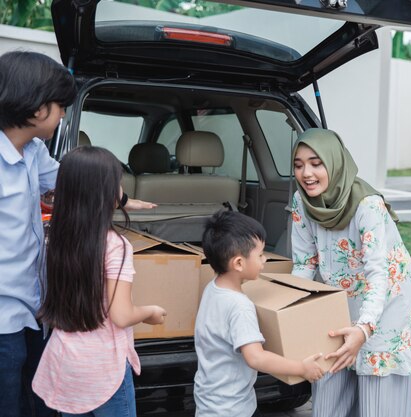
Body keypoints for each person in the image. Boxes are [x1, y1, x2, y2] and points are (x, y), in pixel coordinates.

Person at [0, 50, 154, 417]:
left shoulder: (34, 151)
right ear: (38, 110)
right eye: (60, 106)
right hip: (3, 315)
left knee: (38, 402)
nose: (64, 115)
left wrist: (121, 198)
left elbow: (71, 181)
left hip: (35, 309)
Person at [290, 128, 411, 417]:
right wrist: (289, 309)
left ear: (334, 162)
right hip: (339, 303)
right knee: (329, 398)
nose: (306, 173)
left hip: (385, 305)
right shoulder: (302, 202)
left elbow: (378, 275)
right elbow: (305, 263)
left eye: (316, 163)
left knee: (379, 406)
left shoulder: (367, 205)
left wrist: (364, 327)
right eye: (298, 164)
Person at [31, 146, 167, 416]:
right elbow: (121, 315)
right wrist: (150, 313)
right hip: (104, 366)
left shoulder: (57, 236)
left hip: (65, 360)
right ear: (105, 193)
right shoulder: (116, 245)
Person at [194, 210, 324, 417]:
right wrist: (301, 368)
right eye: (260, 254)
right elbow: (255, 358)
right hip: (232, 409)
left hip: (209, 401)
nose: (264, 260)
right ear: (238, 263)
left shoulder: (213, 288)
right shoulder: (240, 305)